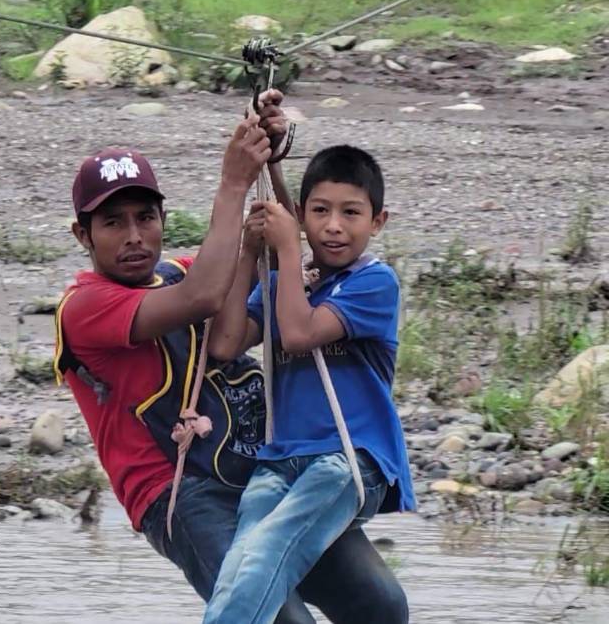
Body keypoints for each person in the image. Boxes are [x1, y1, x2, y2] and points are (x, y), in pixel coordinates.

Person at [52, 95, 408, 624]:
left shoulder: (182, 270)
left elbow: (292, 250)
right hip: (180, 492)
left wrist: (273, 162)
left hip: (258, 466)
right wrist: (234, 182)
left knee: (381, 605)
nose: (134, 237)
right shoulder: (85, 306)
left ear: (163, 218)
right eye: (112, 223)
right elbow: (202, 297)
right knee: (283, 619)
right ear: (82, 234)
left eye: (145, 218)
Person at [201, 145, 416, 624]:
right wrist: (249, 252)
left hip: (350, 460)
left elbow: (298, 334)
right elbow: (226, 342)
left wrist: (287, 248)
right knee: (242, 559)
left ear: (378, 221)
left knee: (270, 549)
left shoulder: (375, 283)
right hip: (281, 459)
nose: (334, 226)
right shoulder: (287, 283)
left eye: (350, 213)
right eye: (320, 211)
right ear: (301, 215)